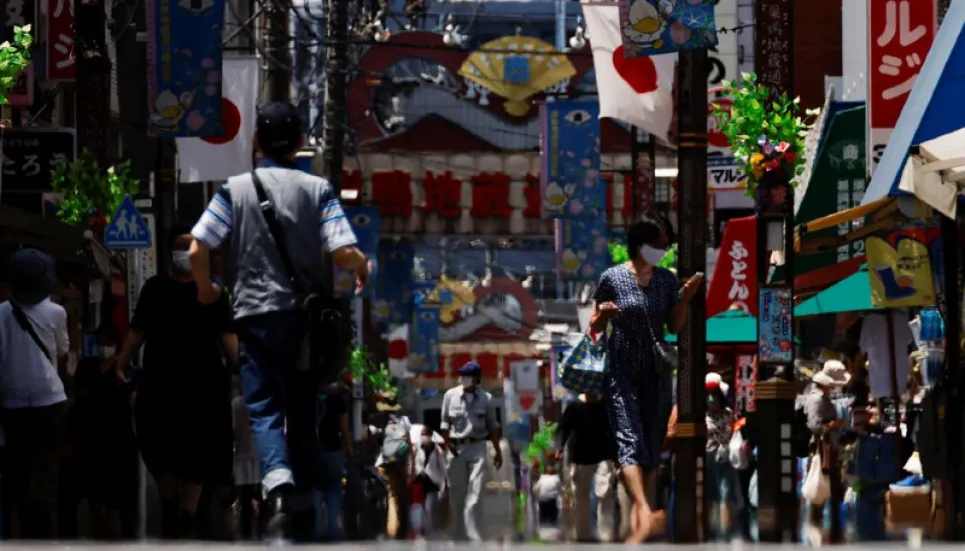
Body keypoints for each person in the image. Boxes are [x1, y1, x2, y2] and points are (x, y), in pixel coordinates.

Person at [188, 100, 370, 541]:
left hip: (253, 315)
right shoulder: (318, 189)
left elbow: (197, 247)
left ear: (255, 142)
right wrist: (361, 265)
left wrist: (206, 288)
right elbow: (342, 251)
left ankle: (280, 489)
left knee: (264, 406)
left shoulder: (233, 190)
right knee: (303, 404)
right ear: (302, 142)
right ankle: (306, 498)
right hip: (306, 320)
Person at [112, 227, 237, 539]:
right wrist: (122, 362)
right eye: (179, 246)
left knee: (199, 453)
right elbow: (137, 331)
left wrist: (246, 366)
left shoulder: (212, 292)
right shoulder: (154, 288)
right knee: (160, 450)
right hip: (159, 385)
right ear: (168, 251)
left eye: (190, 246)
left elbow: (229, 337)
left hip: (203, 388)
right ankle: (170, 506)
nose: (185, 251)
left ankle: (187, 515)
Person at [588, 220, 702, 543]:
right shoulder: (611, 278)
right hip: (622, 369)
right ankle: (646, 510)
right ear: (641, 244)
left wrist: (685, 298)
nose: (663, 249)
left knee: (650, 444)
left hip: (656, 371)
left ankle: (642, 525)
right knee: (629, 440)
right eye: (660, 243)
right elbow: (594, 326)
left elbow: (674, 326)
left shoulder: (665, 280)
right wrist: (606, 315)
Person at [0, 248, 69, 539]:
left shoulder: (1, 312)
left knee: (18, 473)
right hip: (50, 401)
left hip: (11, 402)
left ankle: (22, 531)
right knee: (46, 474)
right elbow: (63, 350)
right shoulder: (56, 312)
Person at [61, 323, 137, 539]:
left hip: (118, 444)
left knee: (116, 504)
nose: (104, 348)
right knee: (96, 501)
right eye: (101, 343)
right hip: (92, 443)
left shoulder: (125, 369)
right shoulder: (87, 366)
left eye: (108, 344)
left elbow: (131, 397)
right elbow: (80, 393)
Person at [439, 361, 503, 542]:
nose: (462, 379)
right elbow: (444, 423)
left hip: (478, 447)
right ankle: (458, 530)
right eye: (462, 375)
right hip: (456, 448)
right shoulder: (449, 396)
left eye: (466, 376)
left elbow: (493, 425)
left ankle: (472, 532)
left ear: (475, 379)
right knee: (457, 493)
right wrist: (447, 442)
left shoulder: (487, 398)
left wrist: (497, 451)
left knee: (476, 490)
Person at [556, 392, 619, 542]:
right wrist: (559, 447)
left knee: (605, 493)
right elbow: (564, 428)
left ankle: (606, 533)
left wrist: (616, 454)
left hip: (603, 456)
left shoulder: (606, 404)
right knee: (581, 496)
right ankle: (582, 533)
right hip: (580, 457)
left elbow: (613, 429)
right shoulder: (574, 406)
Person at [804, 359, 850, 543]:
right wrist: (834, 424)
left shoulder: (822, 398)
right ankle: (819, 526)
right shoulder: (816, 399)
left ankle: (825, 525)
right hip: (823, 449)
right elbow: (814, 426)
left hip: (830, 447)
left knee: (828, 485)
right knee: (823, 484)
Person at [316, 369, 354, 541]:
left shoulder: (315, 392)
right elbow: (343, 423)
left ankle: (318, 528)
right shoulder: (338, 394)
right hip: (333, 447)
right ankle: (333, 529)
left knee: (316, 489)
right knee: (333, 489)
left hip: (314, 447)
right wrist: (349, 446)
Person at [704, 375, 744, 541]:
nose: (712, 399)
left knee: (723, 491)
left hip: (722, 454)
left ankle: (723, 530)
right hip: (713, 454)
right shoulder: (707, 413)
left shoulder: (727, 413)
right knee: (715, 492)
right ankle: (716, 529)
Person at [231, 376, 260, 540]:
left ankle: (246, 530)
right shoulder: (258, 401)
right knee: (260, 494)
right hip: (258, 453)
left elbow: (233, 430)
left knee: (245, 496)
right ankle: (261, 528)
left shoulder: (235, 404)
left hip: (241, 455)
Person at [412, 425, 448, 538]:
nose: (423, 437)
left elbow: (443, 467)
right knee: (419, 508)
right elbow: (412, 462)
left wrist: (447, 483)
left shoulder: (437, 450)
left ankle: (432, 532)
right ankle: (421, 531)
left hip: (432, 481)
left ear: (430, 436)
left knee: (430, 507)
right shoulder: (416, 447)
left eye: (425, 434)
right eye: (421, 434)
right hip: (419, 480)